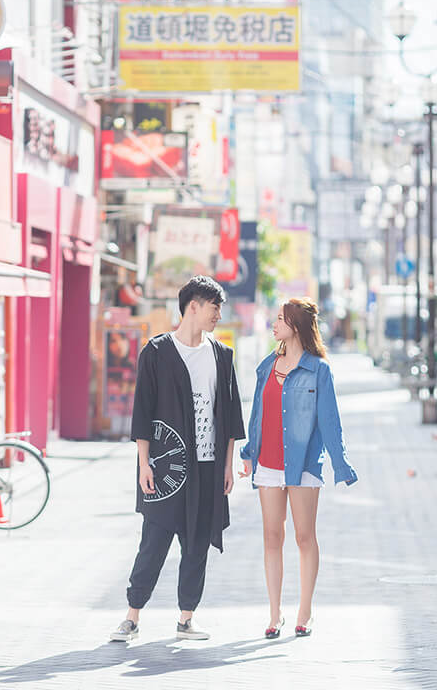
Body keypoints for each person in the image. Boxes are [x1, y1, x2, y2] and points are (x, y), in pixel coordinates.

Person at [110, 275, 245, 643]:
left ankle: (187, 618)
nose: (219, 314)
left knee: (197, 543)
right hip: (166, 466)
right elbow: (143, 412)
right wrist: (143, 464)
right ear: (194, 306)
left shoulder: (222, 354)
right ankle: (132, 616)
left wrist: (227, 464)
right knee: (154, 540)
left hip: (207, 466)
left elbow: (230, 416)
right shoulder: (156, 353)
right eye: (214, 307)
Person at [239, 297, 357, 639]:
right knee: (271, 537)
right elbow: (257, 415)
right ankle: (275, 614)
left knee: (305, 537)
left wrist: (341, 463)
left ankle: (305, 609)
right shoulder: (266, 366)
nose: (274, 324)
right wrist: (249, 451)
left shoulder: (319, 370)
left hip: (304, 464)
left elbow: (330, 421)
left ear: (296, 326)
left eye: (280, 319)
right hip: (268, 465)